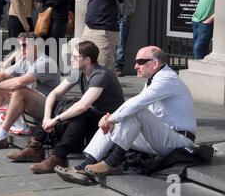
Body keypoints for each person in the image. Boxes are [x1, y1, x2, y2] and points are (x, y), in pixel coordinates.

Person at [55, 46, 196, 185]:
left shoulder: (167, 79)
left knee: (133, 112)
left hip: (179, 141)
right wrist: (111, 119)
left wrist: (112, 119)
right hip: (161, 138)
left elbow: (136, 103)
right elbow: (132, 109)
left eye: (140, 62)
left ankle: (112, 162)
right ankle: (86, 165)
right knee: (122, 117)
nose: (135, 66)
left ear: (155, 64)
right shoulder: (154, 79)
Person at [8, 41, 124, 173]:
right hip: (94, 120)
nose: (71, 59)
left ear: (87, 59)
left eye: (75, 57)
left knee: (78, 110)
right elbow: (54, 94)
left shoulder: (100, 75)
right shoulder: (78, 72)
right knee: (59, 104)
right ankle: (35, 146)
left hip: (108, 123)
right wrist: (47, 118)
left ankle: (57, 157)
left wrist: (56, 119)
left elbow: (83, 106)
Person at [114, 0, 138, 76]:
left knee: (120, 43)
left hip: (122, 13)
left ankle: (118, 67)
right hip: (109, 14)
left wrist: (127, 12)